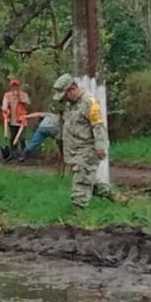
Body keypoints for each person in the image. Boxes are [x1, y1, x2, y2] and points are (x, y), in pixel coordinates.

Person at [52, 74, 112, 209]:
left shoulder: (89, 102)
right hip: (74, 150)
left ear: (72, 89)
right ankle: (115, 196)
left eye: (65, 95)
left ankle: (78, 213)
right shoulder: (69, 104)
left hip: (87, 149)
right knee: (87, 179)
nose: (64, 99)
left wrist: (100, 147)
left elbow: (98, 125)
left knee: (81, 183)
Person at [2, 79, 30, 154]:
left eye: (16, 85)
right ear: (10, 86)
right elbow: (4, 106)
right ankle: (13, 152)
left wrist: (20, 97)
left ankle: (24, 151)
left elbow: (28, 103)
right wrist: (5, 109)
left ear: (19, 86)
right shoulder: (7, 95)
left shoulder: (23, 94)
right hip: (11, 120)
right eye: (13, 86)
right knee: (12, 137)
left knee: (22, 138)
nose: (14, 87)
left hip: (22, 120)